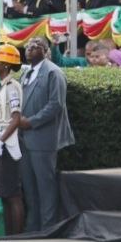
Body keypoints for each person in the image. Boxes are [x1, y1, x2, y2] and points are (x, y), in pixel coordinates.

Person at [18, 37, 75, 230]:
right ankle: (33, 228)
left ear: (46, 51)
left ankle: (48, 228)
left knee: (45, 187)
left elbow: (56, 104)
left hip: (43, 139)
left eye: (36, 46)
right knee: (30, 188)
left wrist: (31, 122)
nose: (30, 49)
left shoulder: (53, 72)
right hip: (25, 139)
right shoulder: (25, 74)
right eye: (28, 46)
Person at [0, 44, 26, 235]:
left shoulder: (12, 87)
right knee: (4, 194)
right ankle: (10, 236)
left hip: (8, 144)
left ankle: (16, 237)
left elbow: (16, 118)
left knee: (12, 194)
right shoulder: (4, 86)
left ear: (5, 65)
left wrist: (1, 140)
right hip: (2, 143)